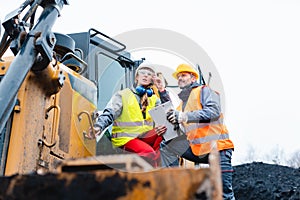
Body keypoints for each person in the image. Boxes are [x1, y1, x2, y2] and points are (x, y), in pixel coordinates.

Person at [160, 63, 235, 199]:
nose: (180, 79)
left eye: (183, 75)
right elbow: (180, 126)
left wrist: (184, 116)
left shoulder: (205, 90)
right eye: (178, 77)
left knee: (224, 193)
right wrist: (167, 127)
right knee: (167, 146)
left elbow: (214, 111)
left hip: (219, 149)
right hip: (198, 150)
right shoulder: (182, 104)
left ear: (193, 78)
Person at [87, 63, 168, 167]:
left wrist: (162, 90)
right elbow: (110, 112)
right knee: (149, 153)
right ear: (137, 77)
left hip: (143, 137)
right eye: (142, 72)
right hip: (126, 139)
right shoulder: (123, 95)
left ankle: (156, 168)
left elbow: (167, 116)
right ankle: (153, 173)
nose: (145, 75)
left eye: (149, 74)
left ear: (152, 80)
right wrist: (99, 126)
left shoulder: (154, 99)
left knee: (165, 137)